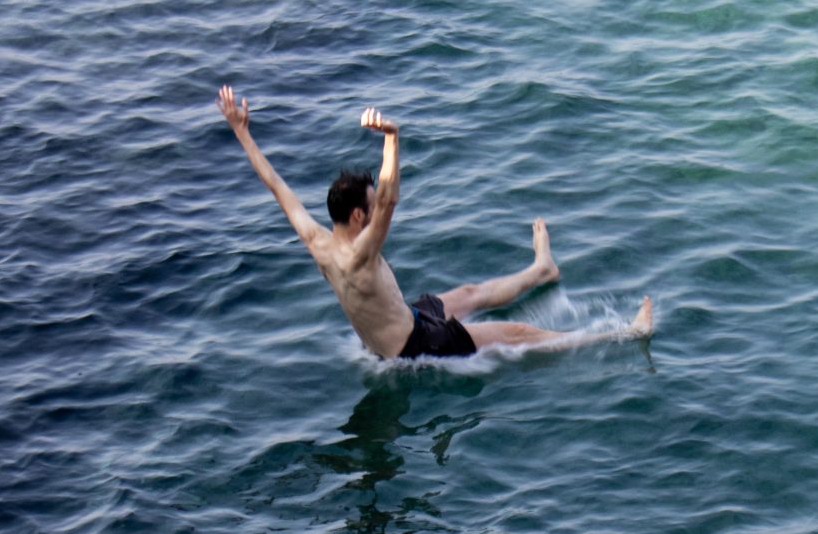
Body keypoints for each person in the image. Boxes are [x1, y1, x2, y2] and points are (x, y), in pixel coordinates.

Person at [217, 87, 651, 358]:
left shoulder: (317, 239)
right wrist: (392, 137)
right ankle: (623, 336)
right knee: (517, 333)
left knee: (468, 293)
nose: (375, 211)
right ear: (356, 216)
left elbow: (277, 187)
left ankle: (542, 270)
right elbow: (388, 200)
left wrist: (242, 132)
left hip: (405, 318)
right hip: (415, 345)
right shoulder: (359, 257)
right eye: (367, 207)